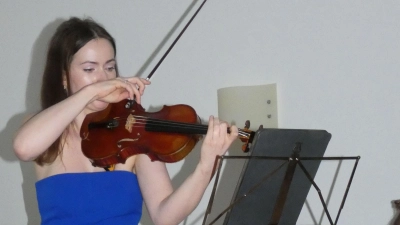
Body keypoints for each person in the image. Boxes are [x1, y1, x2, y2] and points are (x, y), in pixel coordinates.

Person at [13, 17, 238, 225]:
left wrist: (206, 166)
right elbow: (23, 148)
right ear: (63, 76)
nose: (104, 78)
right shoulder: (44, 129)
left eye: (110, 67)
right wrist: (90, 93)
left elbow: (165, 216)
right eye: (90, 69)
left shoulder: (132, 132)